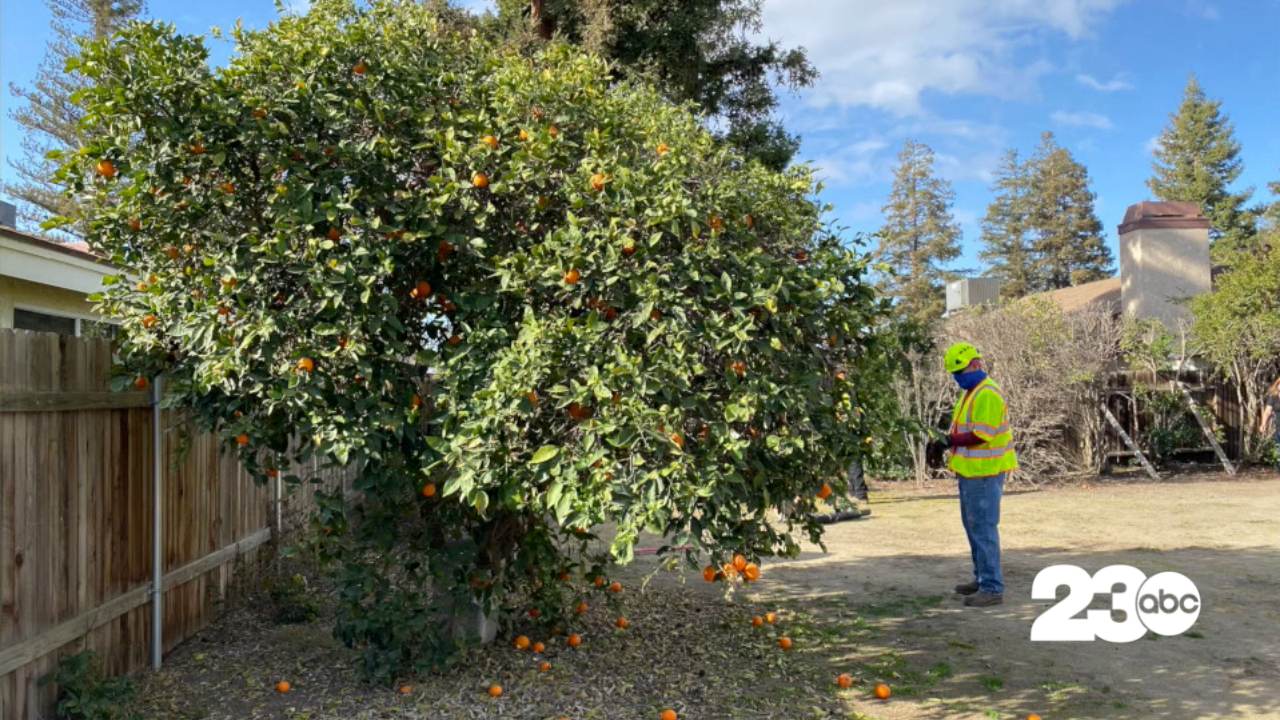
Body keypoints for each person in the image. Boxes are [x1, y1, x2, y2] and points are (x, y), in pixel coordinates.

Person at [938, 342, 1018, 607]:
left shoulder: (986, 394)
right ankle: (982, 579)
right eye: (954, 373)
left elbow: (981, 435)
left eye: (959, 371)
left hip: (984, 473)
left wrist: (948, 441)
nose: (957, 377)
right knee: (974, 528)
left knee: (983, 529)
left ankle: (992, 588)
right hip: (971, 472)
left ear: (975, 364)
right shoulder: (971, 392)